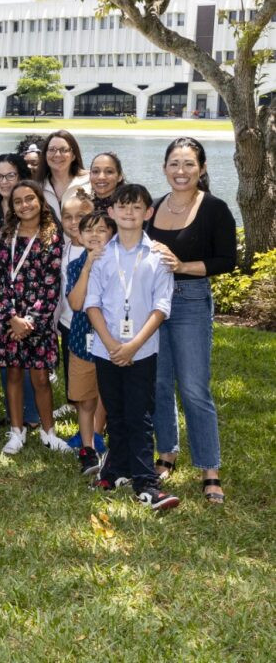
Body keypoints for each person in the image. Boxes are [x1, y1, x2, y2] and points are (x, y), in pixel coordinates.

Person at [147, 137, 236, 504]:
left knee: (195, 389)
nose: (180, 171)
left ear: (201, 169)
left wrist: (182, 266)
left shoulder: (214, 208)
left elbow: (226, 260)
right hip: (153, 304)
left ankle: (209, 469)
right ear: (165, 168)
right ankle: (166, 453)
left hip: (191, 301)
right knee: (158, 384)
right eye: (174, 164)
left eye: (188, 164)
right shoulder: (152, 207)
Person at [85, 185, 179, 511]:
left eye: (136, 208)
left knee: (139, 415)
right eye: (122, 207)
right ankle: (116, 468)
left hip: (142, 350)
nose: (129, 213)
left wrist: (133, 345)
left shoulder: (158, 256)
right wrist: (112, 345)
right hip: (106, 349)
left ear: (147, 213)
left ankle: (146, 483)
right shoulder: (101, 255)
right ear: (110, 212)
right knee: (117, 411)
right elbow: (92, 304)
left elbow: (161, 307)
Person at [0, 181, 72, 456]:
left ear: (40, 202)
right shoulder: (3, 235)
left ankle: (49, 433)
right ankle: (16, 430)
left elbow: (51, 284)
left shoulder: (52, 236)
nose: (24, 205)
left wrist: (29, 321)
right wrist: (12, 317)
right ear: (12, 207)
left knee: (41, 378)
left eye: (29, 198)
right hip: (8, 318)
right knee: (12, 374)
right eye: (18, 201)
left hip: (38, 320)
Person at [65, 209, 113, 475]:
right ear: (80, 237)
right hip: (82, 343)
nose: (94, 235)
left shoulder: (120, 264)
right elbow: (75, 303)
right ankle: (87, 448)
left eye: (101, 229)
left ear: (112, 234)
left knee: (108, 395)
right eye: (88, 230)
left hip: (113, 344)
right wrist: (87, 267)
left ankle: (100, 435)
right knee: (85, 400)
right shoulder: (75, 266)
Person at [42, 130, 91, 217]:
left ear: (73, 156)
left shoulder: (89, 181)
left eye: (64, 150)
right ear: (45, 155)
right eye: (52, 149)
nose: (57, 154)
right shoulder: (38, 186)